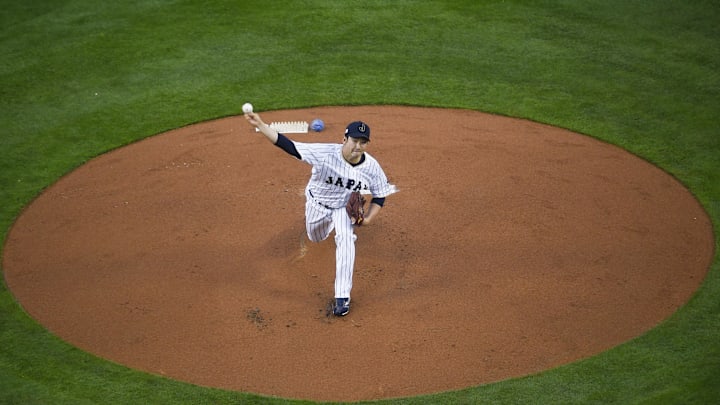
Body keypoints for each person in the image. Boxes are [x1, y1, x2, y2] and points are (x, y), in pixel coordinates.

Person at [244, 111, 396, 316]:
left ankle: (343, 297)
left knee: (346, 238)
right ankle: (327, 226)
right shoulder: (325, 153)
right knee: (316, 237)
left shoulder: (371, 167)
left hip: (343, 208)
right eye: (354, 141)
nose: (358, 146)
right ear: (344, 139)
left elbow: (380, 195)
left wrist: (368, 219)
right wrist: (261, 125)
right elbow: (290, 146)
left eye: (363, 142)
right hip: (317, 204)